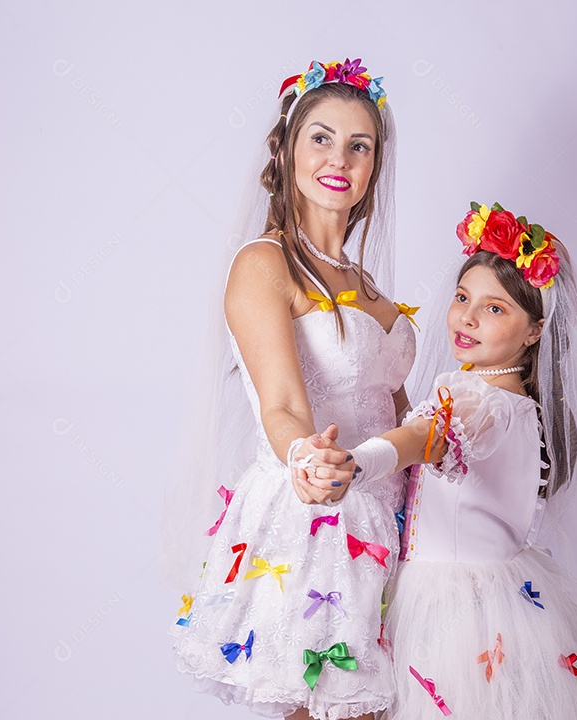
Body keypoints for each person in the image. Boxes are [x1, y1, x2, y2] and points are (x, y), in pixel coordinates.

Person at [301, 202, 577, 718]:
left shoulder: (483, 406)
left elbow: (421, 436)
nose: (468, 317)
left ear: (534, 332)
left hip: (455, 614)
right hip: (494, 600)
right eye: (463, 297)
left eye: (496, 308)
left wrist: (356, 463)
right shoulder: (510, 399)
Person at [166, 59, 419, 720]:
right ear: (288, 149)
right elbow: (280, 404)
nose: (340, 157)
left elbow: (401, 415)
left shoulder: (371, 288)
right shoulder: (265, 263)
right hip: (319, 517)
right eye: (322, 137)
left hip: (394, 519)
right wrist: (310, 460)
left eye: (360, 145)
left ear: (374, 165)